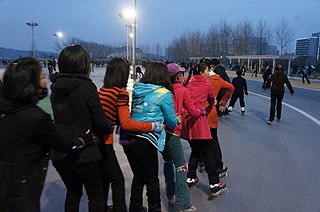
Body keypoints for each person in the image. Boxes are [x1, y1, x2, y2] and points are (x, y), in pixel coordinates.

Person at [0, 57, 94, 212]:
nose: (45, 82)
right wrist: (83, 140)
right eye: (41, 78)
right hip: (19, 189)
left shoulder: (6, 110)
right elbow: (63, 145)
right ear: (29, 84)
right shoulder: (35, 117)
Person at [50, 45, 112, 212]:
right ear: (83, 64)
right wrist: (109, 126)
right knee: (96, 196)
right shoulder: (86, 87)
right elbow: (100, 122)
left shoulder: (55, 88)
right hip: (84, 151)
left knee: (73, 193)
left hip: (60, 151)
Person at [98, 58, 162, 212]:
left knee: (105, 179)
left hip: (96, 141)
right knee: (118, 180)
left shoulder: (103, 90)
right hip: (104, 142)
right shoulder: (120, 93)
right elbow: (126, 123)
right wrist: (152, 125)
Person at [123, 62, 179, 212]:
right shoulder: (164, 93)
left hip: (130, 138)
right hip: (146, 140)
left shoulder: (138, 89)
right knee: (152, 180)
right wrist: (178, 119)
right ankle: (155, 209)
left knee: (139, 177)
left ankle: (134, 208)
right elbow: (171, 122)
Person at [182, 63, 227, 199]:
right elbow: (212, 100)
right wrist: (207, 108)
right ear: (202, 72)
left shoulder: (189, 83)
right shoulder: (207, 85)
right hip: (200, 122)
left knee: (195, 151)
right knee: (208, 154)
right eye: (208, 70)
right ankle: (214, 184)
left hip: (189, 123)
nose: (209, 72)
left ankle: (190, 177)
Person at [163, 63, 201, 212]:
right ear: (178, 76)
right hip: (173, 132)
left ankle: (171, 195)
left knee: (167, 162)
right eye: (181, 74)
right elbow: (194, 112)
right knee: (180, 167)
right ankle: (183, 204)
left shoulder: (163, 90)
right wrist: (201, 110)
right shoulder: (182, 90)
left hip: (162, 132)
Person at [204, 69, 234, 176]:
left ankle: (196, 169)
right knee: (213, 141)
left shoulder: (196, 78)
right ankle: (218, 166)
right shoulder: (217, 79)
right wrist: (223, 101)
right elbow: (231, 87)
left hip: (197, 114)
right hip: (210, 113)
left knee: (198, 142)